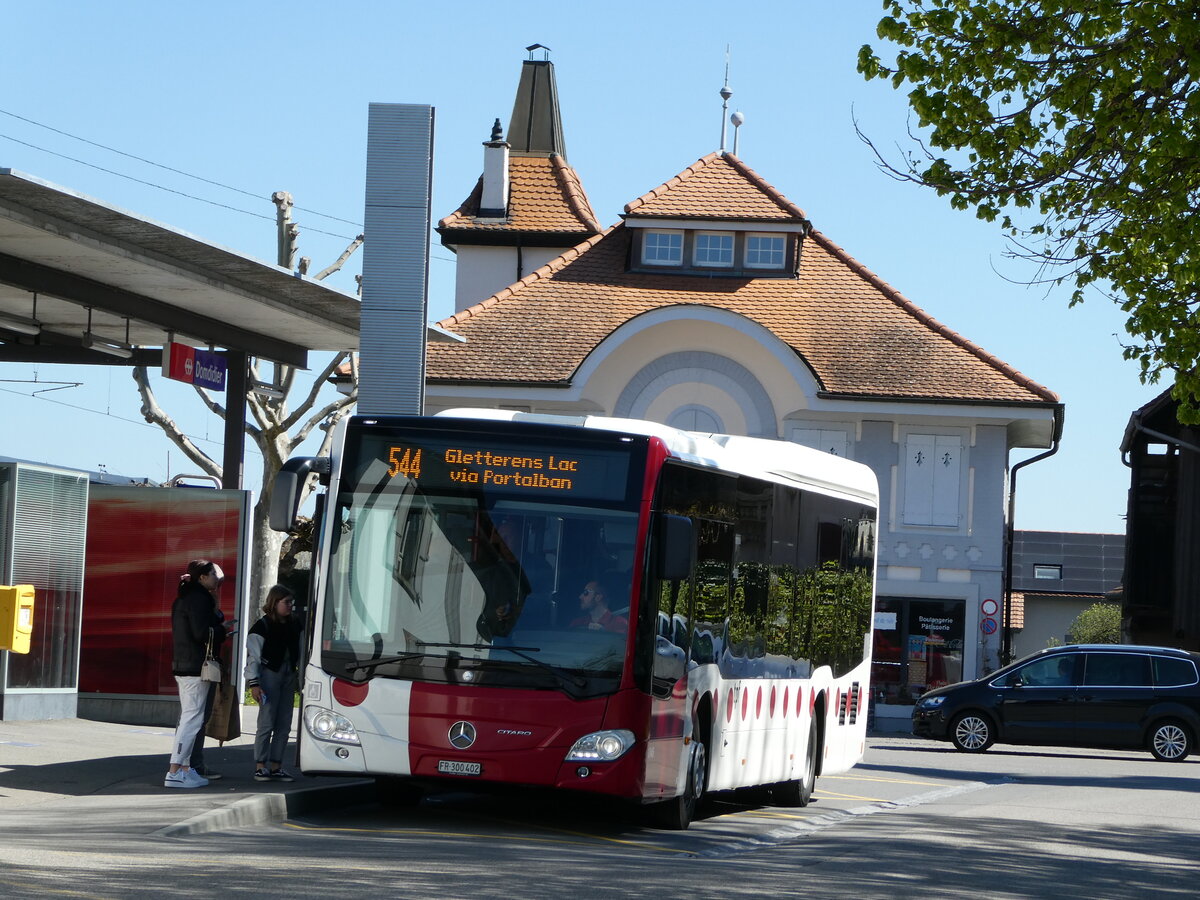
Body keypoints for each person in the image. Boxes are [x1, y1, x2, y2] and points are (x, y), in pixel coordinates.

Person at [165, 559, 226, 789]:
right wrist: (223, 630)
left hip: (184, 664)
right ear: (202, 577)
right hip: (195, 666)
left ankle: (184, 769)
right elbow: (202, 633)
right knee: (192, 719)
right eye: (212, 574)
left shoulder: (183, 598)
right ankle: (175, 771)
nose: (216, 579)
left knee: (191, 717)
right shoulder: (199, 599)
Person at [244, 584, 302, 782]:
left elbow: (301, 651)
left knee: (285, 723)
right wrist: (254, 683)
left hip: (288, 674)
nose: (290, 607)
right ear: (274, 602)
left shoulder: (295, 624)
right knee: (266, 721)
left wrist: (301, 678)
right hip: (269, 674)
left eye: (291, 603)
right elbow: (253, 657)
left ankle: (276, 765)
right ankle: (260, 765)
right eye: (286, 603)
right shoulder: (262, 625)